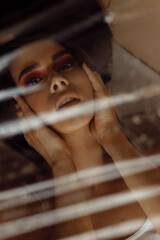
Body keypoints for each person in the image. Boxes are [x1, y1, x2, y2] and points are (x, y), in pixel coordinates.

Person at [1, 1, 160, 240]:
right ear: (17, 110)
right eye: (33, 80)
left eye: (65, 65)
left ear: (91, 75)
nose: (57, 80)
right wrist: (61, 165)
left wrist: (112, 136)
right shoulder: (18, 216)